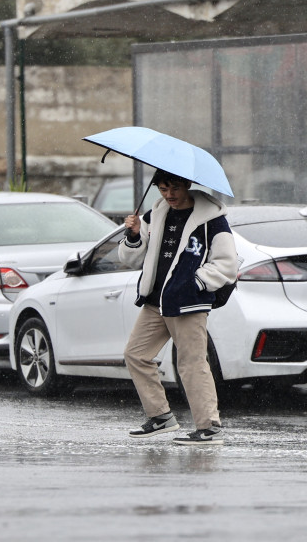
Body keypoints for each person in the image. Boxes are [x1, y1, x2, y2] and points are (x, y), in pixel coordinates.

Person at [119, 169, 239, 446]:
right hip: (155, 300)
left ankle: (209, 427)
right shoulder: (154, 215)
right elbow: (130, 258)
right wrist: (134, 234)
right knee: (135, 354)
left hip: (188, 302)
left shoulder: (212, 220)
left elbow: (227, 265)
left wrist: (193, 283)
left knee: (192, 364)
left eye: (174, 188)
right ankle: (160, 417)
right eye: (162, 189)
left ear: (187, 184)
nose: (169, 195)